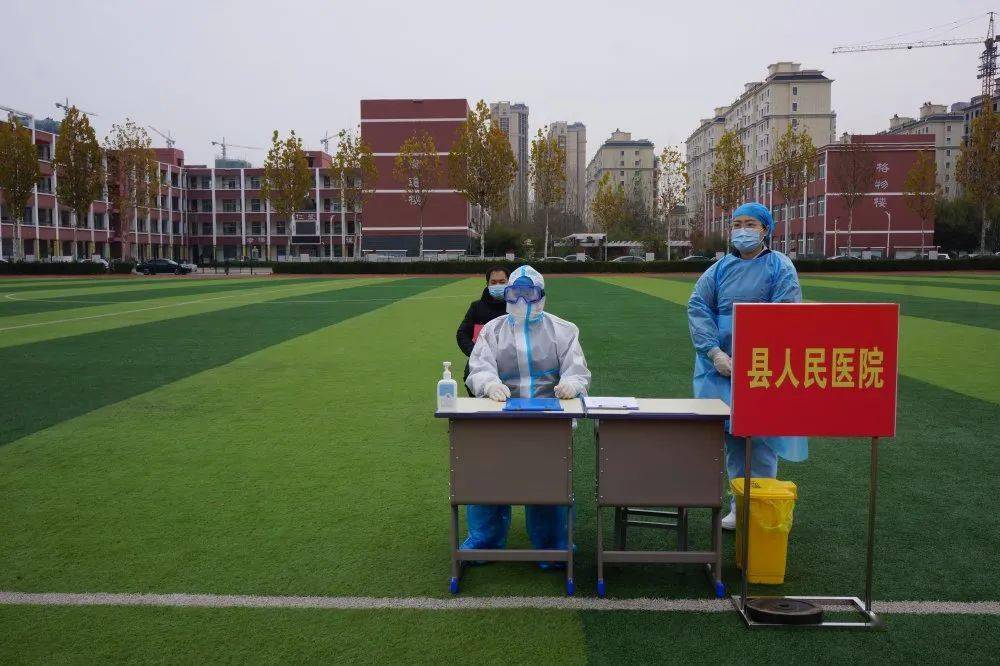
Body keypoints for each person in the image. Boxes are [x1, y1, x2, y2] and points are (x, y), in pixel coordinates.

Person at [687, 202, 808, 530]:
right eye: (737, 224)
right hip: (720, 368)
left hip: (763, 368)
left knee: (762, 440)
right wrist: (714, 352)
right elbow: (698, 307)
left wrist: (756, 355)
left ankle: (761, 505)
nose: (742, 230)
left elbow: (785, 314)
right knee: (733, 439)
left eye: (750, 224)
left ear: (765, 229)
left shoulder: (779, 266)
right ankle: (739, 505)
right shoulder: (719, 269)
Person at [464, 265, 591, 561]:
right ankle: (485, 541)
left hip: (549, 420)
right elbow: (479, 367)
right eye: (515, 294)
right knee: (490, 476)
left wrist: (571, 385)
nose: (521, 301)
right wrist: (489, 384)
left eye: (529, 293)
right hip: (500, 418)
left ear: (541, 295)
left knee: (548, 481)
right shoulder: (493, 330)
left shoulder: (563, 330)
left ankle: (553, 546)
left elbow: (577, 371)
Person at [456, 266, 510, 396]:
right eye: (493, 282)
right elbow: (462, 333)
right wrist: (476, 353)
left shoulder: (516, 307)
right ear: (487, 284)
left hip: (510, 362)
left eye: (502, 282)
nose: (498, 285)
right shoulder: (477, 307)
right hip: (480, 362)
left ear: (509, 283)